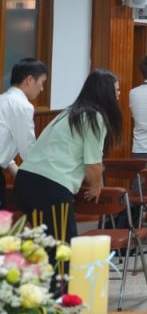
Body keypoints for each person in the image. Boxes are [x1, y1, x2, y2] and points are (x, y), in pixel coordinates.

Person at [15, 69, 122, 242]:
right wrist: (96, 187)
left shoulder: (70, 112)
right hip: (50, 187)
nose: (118, 95)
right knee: (63, 248)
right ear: (105, 93)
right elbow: (93, 163)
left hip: (25, 182)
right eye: (116, 91)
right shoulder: (95, 117)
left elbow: (77, 157)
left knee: (45, 247)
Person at [0, 58, 47, 210]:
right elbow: (29, 151)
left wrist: (20, 176)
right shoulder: (22, 106)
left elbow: (3, 153)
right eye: (42, 82)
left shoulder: (3, 100)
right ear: (30, 79)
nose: (42, 89)